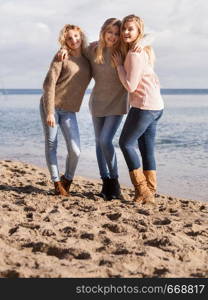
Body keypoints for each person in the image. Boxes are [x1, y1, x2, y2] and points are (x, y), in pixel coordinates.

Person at [58, 18, 154, 200]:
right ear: (103, 31)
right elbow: (74, 46)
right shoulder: (92, 49)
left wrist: (142, 42)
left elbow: (150, 36)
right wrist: (64, 48)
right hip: (97, 103)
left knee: (105, 141)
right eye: (110, 32)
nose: (113, 36)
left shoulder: (125, 50)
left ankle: (115, 182)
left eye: (117, 33)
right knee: (98, 142)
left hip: (117, 103)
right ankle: (106, 183)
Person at [112, 14, 164, 204]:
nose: (125, 32)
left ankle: (142, 190)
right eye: (124, 28)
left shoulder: (135, 53)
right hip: (156, 106)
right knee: (146, 149)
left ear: (138, 31)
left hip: (144, 106)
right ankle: (150, 190)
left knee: (126, 143)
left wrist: (119, 66)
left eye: (130, 29)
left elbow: (130, 86)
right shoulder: (143, 49)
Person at [40, 24, 91, 196]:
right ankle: (56, 184)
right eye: (69, 38)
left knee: (75, 150)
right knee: (51, 144)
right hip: (51, 106)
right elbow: (49, 84)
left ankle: (67, 179)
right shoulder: (61, 56)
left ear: (81, 36)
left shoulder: (87, 57)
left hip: (69, 110)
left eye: (76, 36)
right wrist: (49, 112)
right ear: (64, 40)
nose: (73, 40)